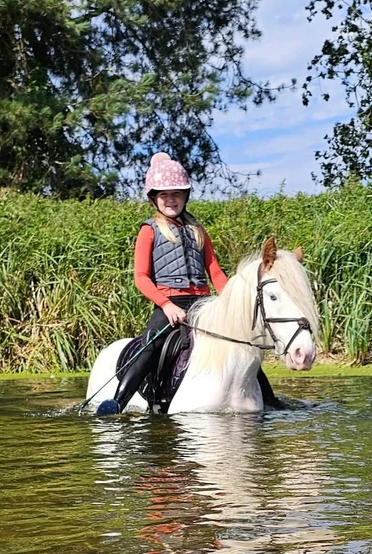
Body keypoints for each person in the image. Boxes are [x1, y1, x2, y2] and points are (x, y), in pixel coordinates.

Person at [110, 152, 278, 412]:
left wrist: (230, 300)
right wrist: (166, 305)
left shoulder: (198, 231)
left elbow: (216, 272)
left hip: (203, 302)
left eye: (177, 194)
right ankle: (117, 401)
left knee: (242, 344)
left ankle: (270, 400)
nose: (171, 200)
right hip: (170, 304)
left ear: (185, 196)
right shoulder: (149, 230)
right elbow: (141, 278)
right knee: (151, 344)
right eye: (164, 195)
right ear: (154, 199)